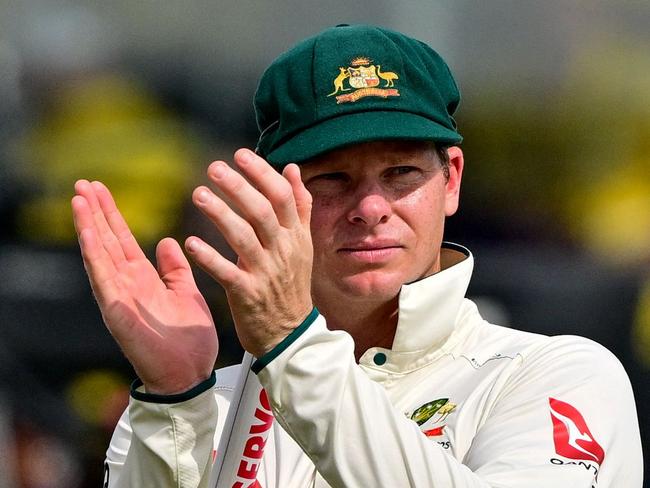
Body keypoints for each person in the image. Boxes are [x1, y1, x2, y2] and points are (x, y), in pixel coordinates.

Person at [71, 24, 643, 487]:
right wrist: (175, 397)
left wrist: (292, 344)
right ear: (274, 198)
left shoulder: (558, 374)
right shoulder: (206, 403)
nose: (370, 207)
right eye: (331, 178)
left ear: (451, 181)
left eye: (400, 173)